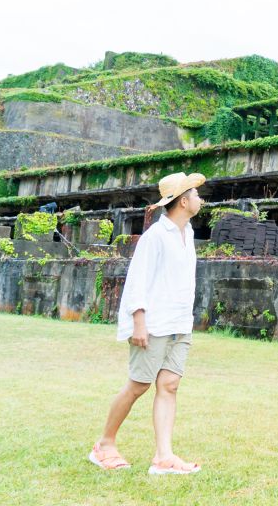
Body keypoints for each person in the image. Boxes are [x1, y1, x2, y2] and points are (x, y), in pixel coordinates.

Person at [88, 171, 206, 474]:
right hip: (153, 324)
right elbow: (137, 280)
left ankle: (164, 456)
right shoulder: (155, 236)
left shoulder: (188, 233)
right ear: (183, 201)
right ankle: (104, 444)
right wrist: (139, 322)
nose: (200, 198)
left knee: (170, 385)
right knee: (138, 385)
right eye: (195, 194)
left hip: (179, 322)